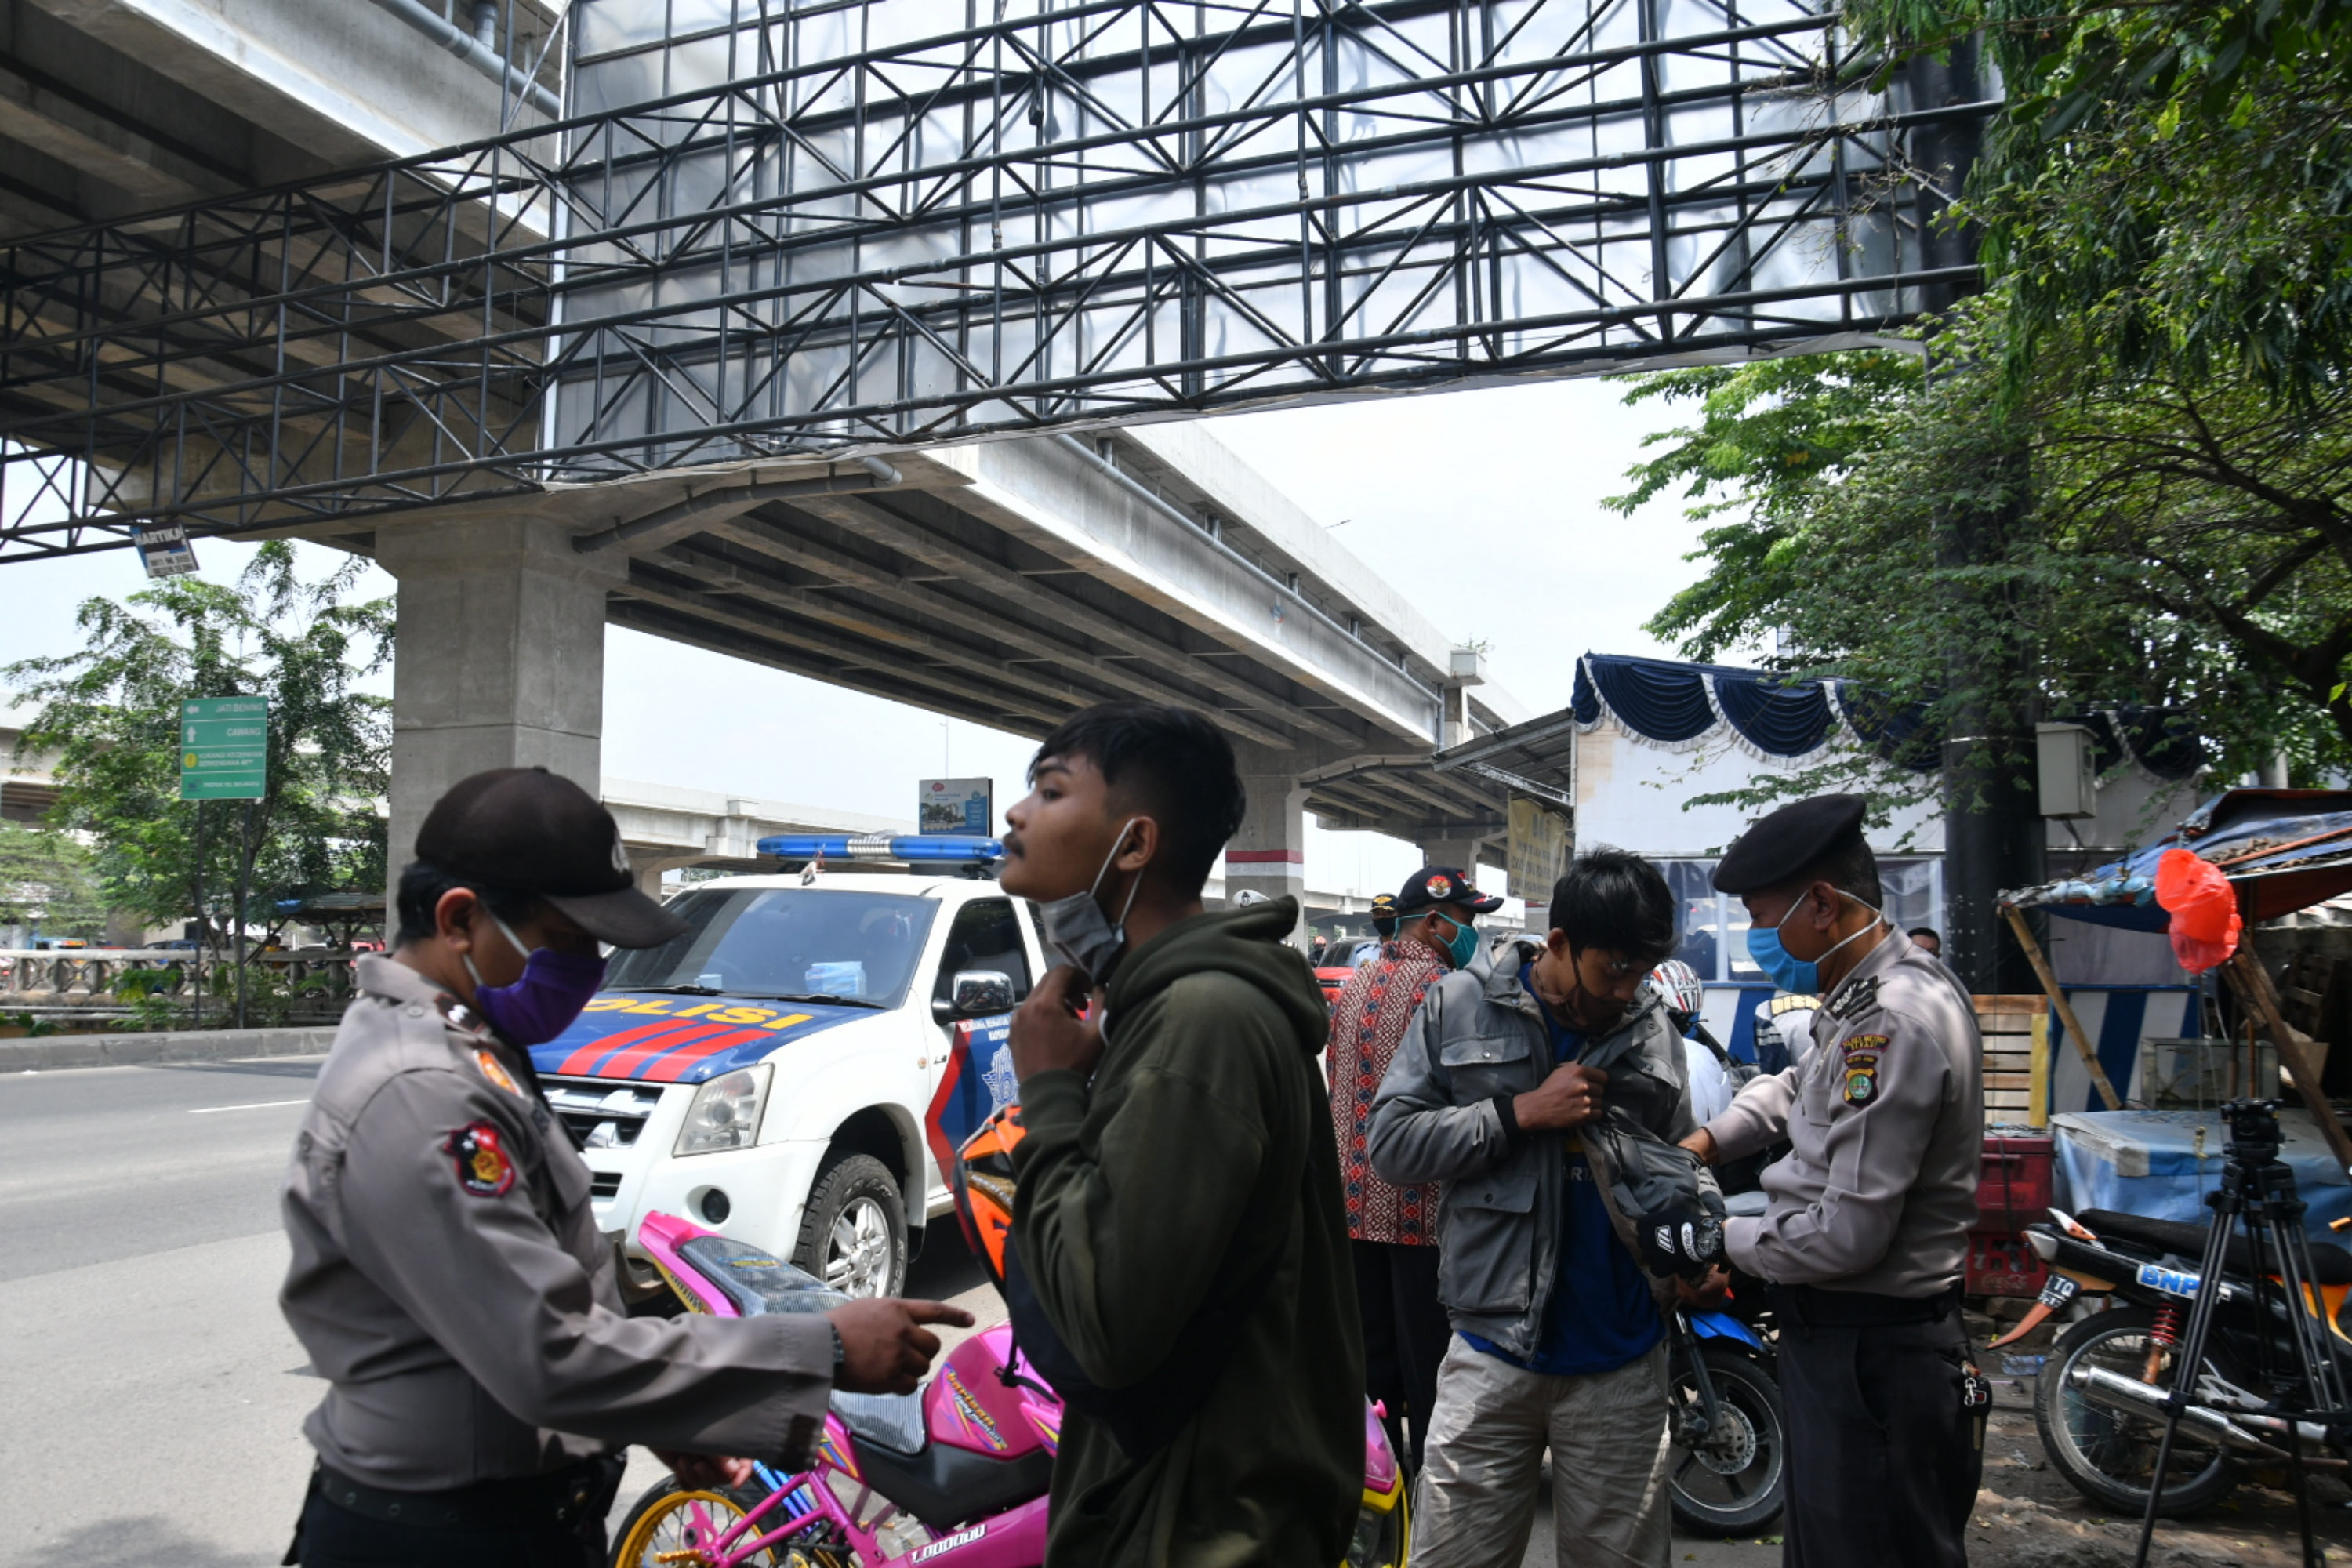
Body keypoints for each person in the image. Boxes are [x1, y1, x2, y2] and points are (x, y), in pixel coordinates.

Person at [279, 768, 969, 1568]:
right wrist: (825, 1347)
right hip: (442, 1535)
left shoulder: (465, 1043)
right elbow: (549, 1353)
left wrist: (667, 1416)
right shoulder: (422, 1086)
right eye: (566, 939)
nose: (586, 967)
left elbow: (533, 1312)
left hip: (499, 1509)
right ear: (461, 917)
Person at [999, 702, 1363, 1568]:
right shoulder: (1175, 1009)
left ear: (1134, 844)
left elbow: (1103, 1325)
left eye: (1050, 790)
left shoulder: (1201, 1020)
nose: (1016, 814)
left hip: (1199, 1528)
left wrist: (1048, 1089)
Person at [1367, 850, 1720, 1568]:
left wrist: (1697, 1241)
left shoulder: (1652, 1029)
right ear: (1559, 943)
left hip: (1623, 1363)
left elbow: (1683, 1153)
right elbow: (1392, 1145)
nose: (1626, 990)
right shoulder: (1460, 1003)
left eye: (1640, 971)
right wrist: (1518, 1113)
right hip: (1491, 1353)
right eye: (1613, 969)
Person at [1679, 795, 1984, 1568]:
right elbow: (1794, 1088)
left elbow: (1847, 1233)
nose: (1755, 938)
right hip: (1850, 1343)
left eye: (1761, 915)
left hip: (1873, 1351)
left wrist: (1722, 1238)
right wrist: (1711, 1138)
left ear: (1821, 903)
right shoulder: (1866, 996)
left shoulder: (1893, 1021)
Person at [1328, 865, 1504, 1478]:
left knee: (1373, 1366)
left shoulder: (1355, 985)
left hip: (1353, 1206)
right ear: (1434, 922)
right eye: (1465, 920)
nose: (1471, 932)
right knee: (1432, 1361)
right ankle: (1436, 1491)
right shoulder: (1449, 991)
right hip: (1422, 1211)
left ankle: (1379, 1485)